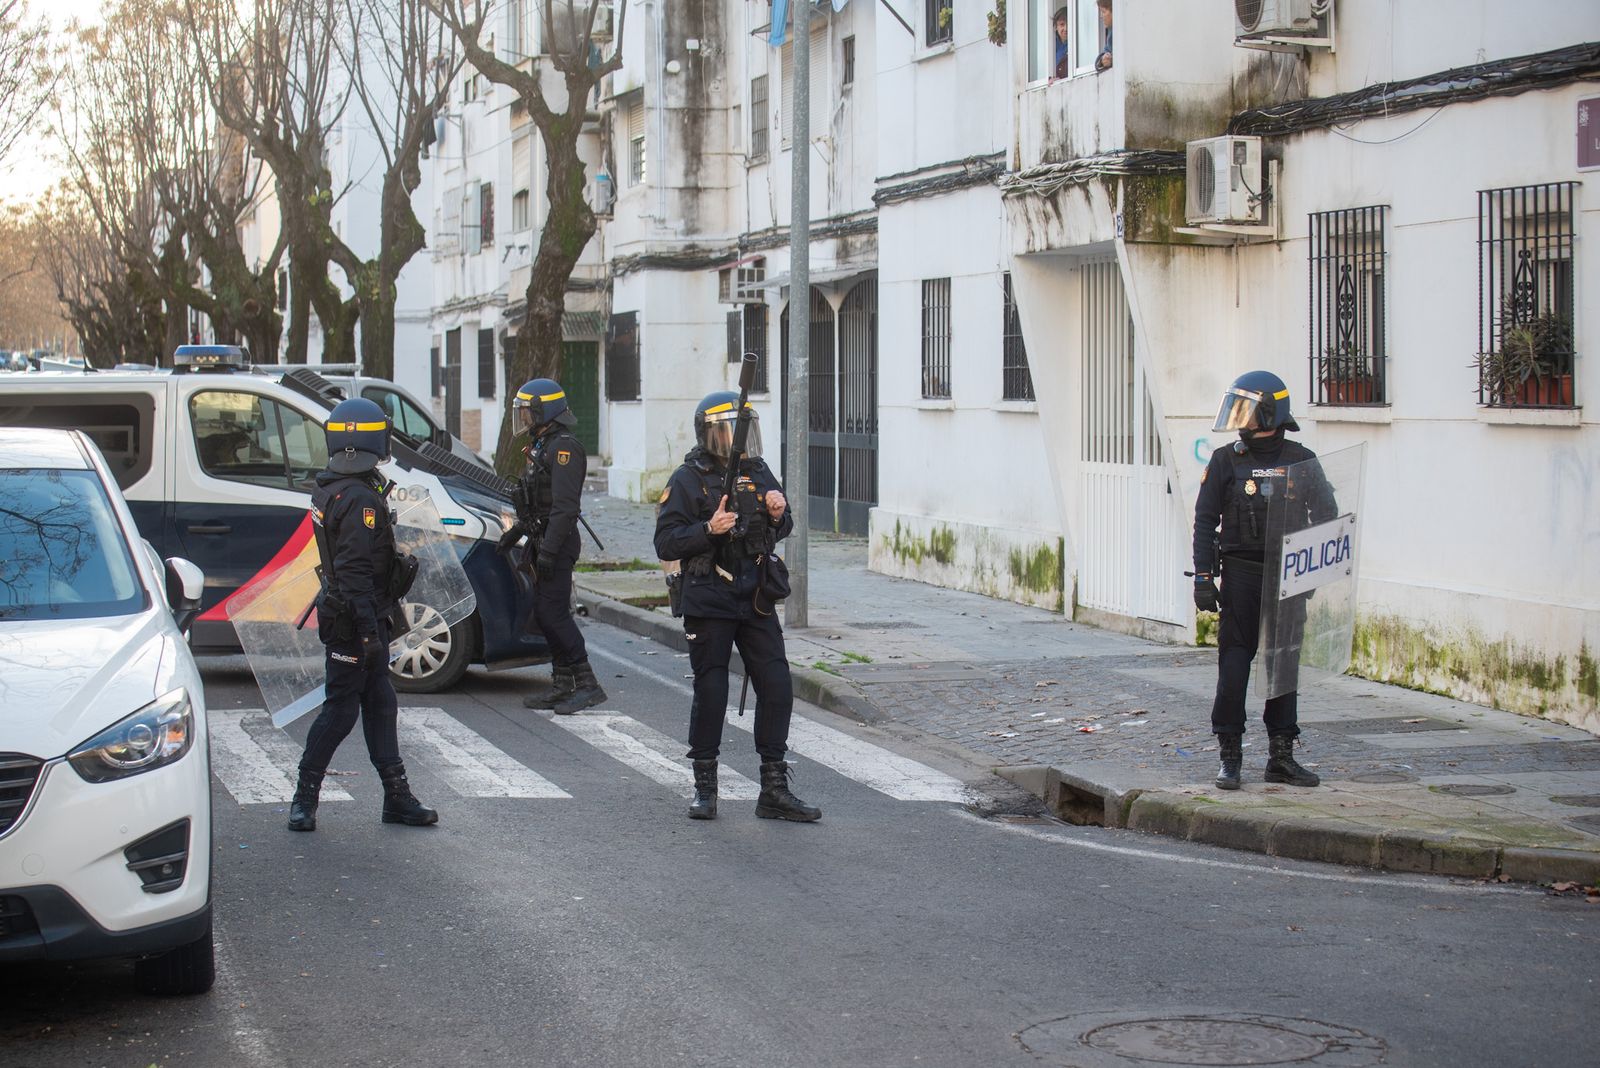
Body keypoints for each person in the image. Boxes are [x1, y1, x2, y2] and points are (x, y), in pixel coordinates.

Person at [653, 392, 820, 823]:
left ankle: (773, 788)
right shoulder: (688, 479)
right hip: (710, 596)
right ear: (708, 435)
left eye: (743, 431)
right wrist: (709, 529)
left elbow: (779, 527)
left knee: (778, 684)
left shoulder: (759, 471)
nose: (736, 442)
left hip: (756, 596)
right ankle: (705, 788)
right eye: (727, 432)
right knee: (712, 690)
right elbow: (666, 542)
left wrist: (779, 513)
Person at [288, 397, 437, 832]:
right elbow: (353, 571)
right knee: (340, 711)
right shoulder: (357, 499)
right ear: (371, 439)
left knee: (381, 701)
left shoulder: (336, 485)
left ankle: (397, 798)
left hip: (360, 612)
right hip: (354, 618)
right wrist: (370, 635)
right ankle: (304, 798)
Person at [1192, 370, 1324, 792]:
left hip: (1287, 576)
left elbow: (1328, 517)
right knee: (1234, 662)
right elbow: (1204, 521)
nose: (1239, 420)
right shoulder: (1225, 460)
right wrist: (1203, 576)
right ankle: (1230, 754)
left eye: (1246, 410)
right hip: (1242, 575)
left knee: (1283, 664)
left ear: (1270, 411)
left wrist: (1312, 569)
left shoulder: (1301, 458)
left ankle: (1281, 756)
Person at [501, 377, 607, 716]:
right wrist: (517, 530)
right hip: (542, 538)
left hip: (556, 543)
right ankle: (562, 684)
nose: (524, 419)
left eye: (528, 412)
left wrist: (548, 552)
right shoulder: (544, 444)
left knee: (553, 614)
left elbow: (564, 507)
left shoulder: (564, 448)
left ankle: (587, 683)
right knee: (546, 615)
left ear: (544, 411)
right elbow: (538, 499)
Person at [1095, 0, 1113, 71]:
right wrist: (1103, 60)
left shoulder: (1121, 32)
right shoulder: (1110, 31)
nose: (1101, 16)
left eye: (1103, 12)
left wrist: (1112, 60)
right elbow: (1106, 51)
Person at [1052, 7, 1070, 79]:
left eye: (1069, 24)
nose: (1066, 29)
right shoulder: (1051, 46)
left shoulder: (1077, 44)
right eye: (1062, 24)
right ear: (1056, 27)